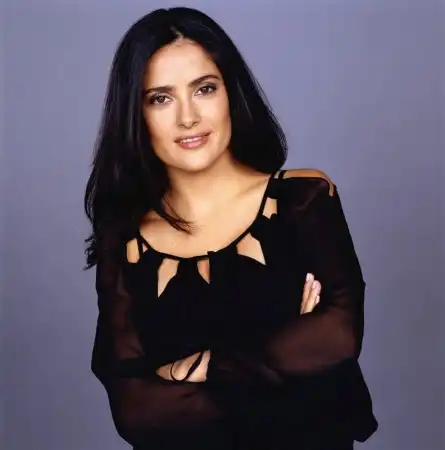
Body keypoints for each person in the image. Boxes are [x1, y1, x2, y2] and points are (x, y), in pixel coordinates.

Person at [84, 6, 378, 450]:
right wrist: (285, 361)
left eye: (204, 88)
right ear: (135, 113)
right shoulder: (123, 242)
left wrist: (197, 369)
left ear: (230, 92)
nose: (187, 117)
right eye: (160, 98)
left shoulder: (302, 201)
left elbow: (337, 337)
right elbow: (136, 412)